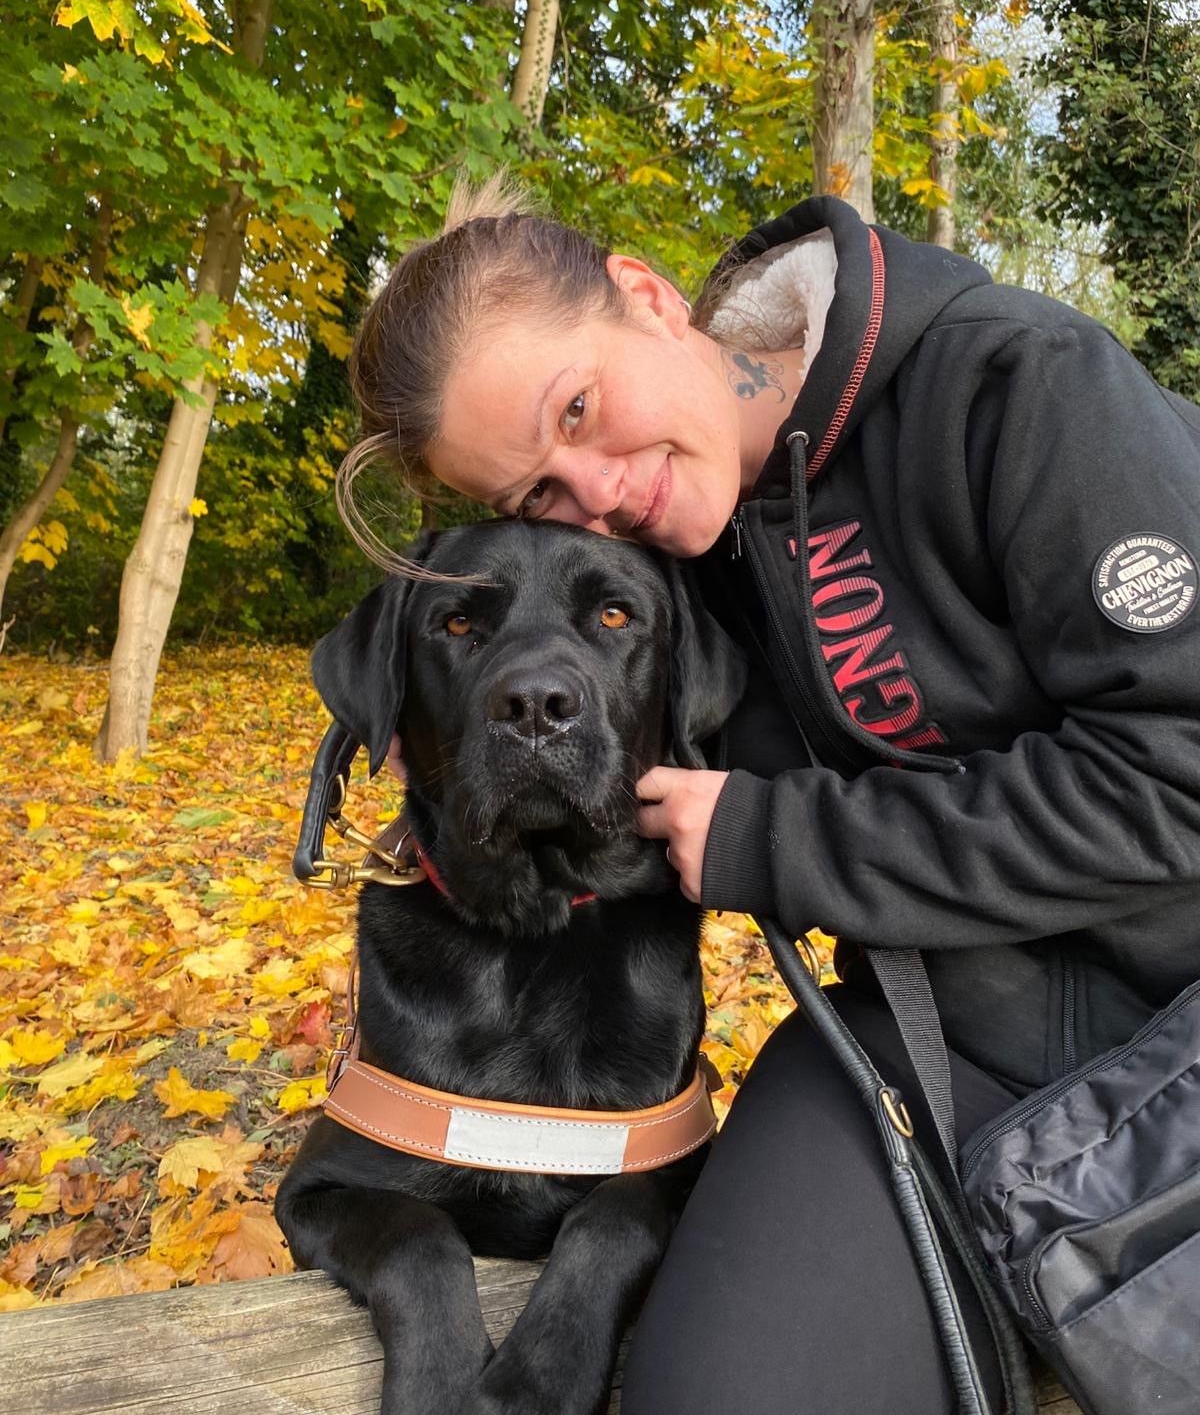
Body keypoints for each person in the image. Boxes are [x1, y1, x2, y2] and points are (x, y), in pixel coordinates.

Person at [337, 176, 1200, 1413]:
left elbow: (1180, 772)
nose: (599, 489)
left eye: (577, 407)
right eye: (536, 493)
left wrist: (777, 837)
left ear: (643, 293)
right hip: (944, 1038)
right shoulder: (683, 568)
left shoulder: (1016, 382)